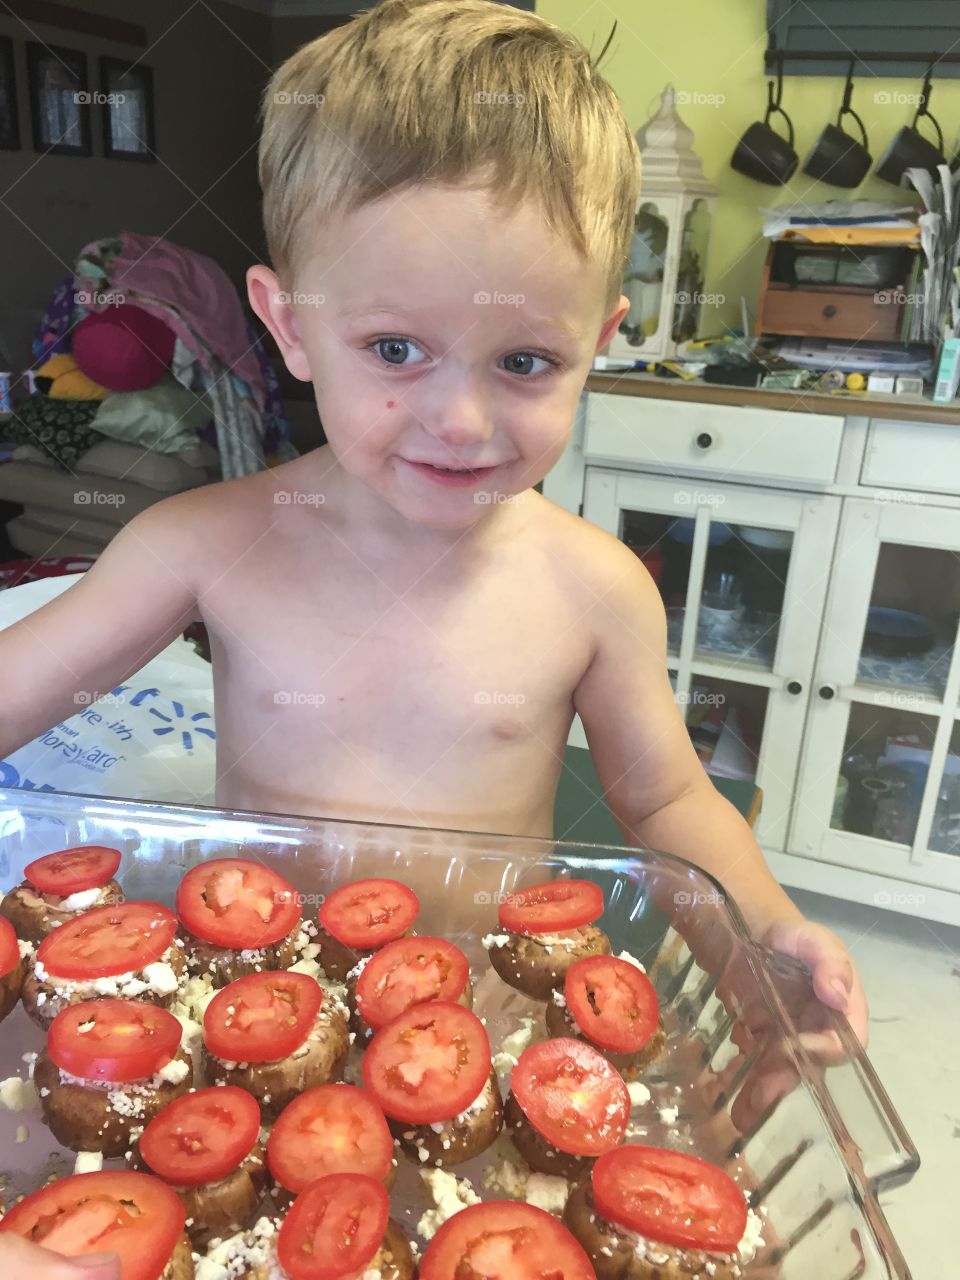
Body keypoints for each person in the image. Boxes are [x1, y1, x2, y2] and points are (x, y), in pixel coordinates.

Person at [0, 1, 867, 1271]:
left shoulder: (597, 588)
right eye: (394, 347)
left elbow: (671, 800)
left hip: (481, 1046)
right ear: (290, 324)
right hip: (237, 1035)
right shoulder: (204, 541)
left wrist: (760, 937)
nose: (458, 418)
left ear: (599, 346)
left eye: (524, 360)